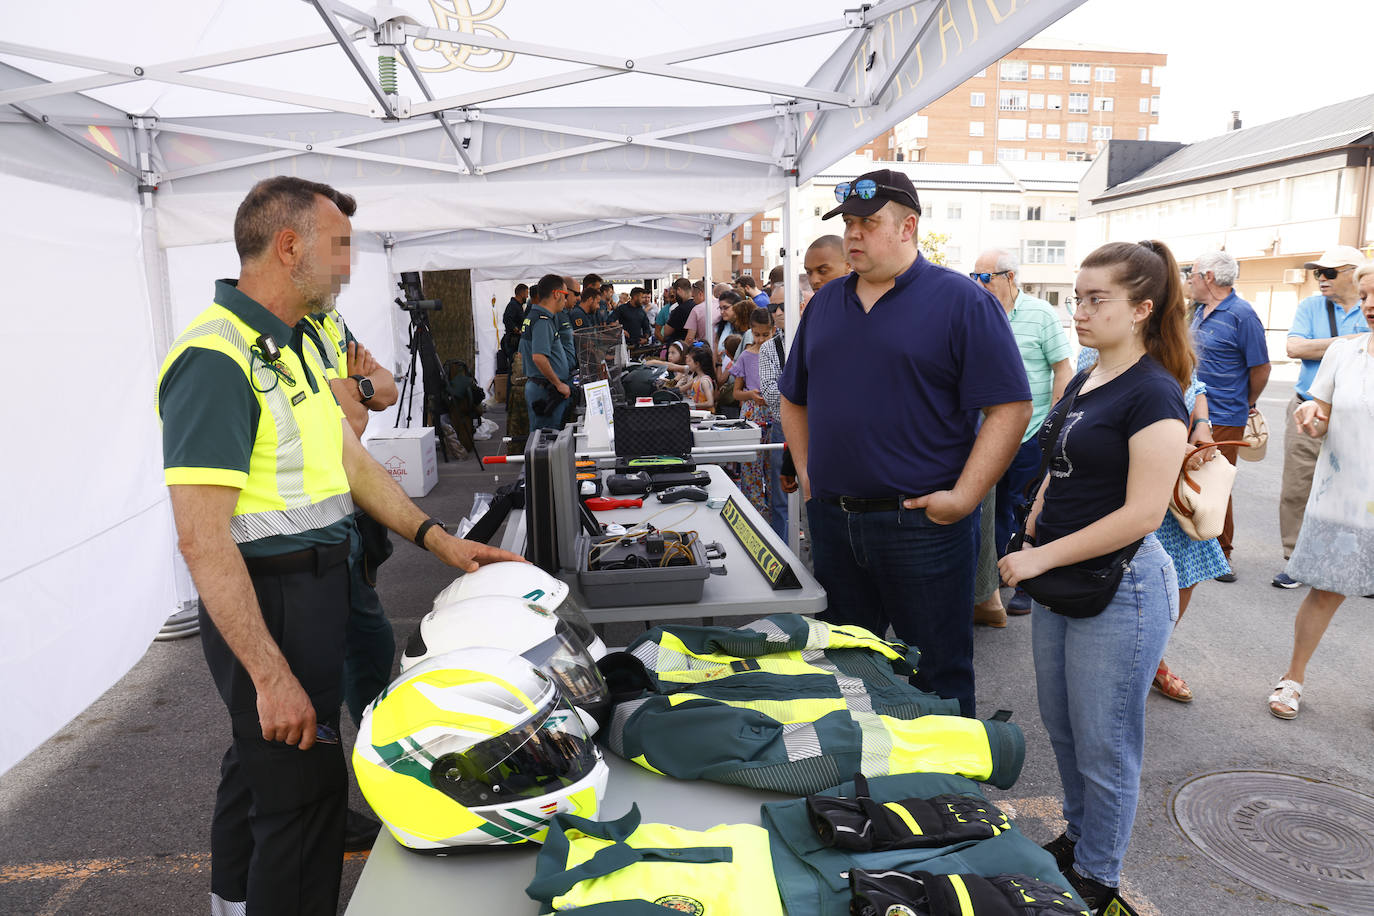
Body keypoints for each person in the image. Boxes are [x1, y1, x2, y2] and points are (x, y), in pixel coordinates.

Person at [155, 175, 524, 916]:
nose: (350, 267)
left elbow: (350, 463)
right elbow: (200, 538)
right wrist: (269, 675)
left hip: (315, 589)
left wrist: (441, 540)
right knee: (300, 808)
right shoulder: (217, 357)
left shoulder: (289, 345)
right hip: (272, 601)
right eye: (340, 248)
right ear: (289, 248)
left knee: (289, 790)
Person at [780, 169, 1031, 717]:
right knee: (847, 670)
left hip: (923, 526)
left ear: (908, 226)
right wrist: (809, 475)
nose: (853, 235)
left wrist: (965, 497)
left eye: (868, 223)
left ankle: (945, 796)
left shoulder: (962, 301)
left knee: (937, 674)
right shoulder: (824, 306)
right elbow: (793, 399)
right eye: (848, 223)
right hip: (836, 524)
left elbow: (1010, 407)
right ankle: (866, 791)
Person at [998, 240, 1191, 909]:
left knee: (1106, 746)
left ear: (1141, 309)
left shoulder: (1156, 394)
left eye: (1095, 298)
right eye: (1076, 297)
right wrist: (1037, 517)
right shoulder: (1088, 374)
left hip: (1123, 588)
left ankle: (1099, 877)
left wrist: (1038, 556)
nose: (1078, 310)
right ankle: (1078, 841)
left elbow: (1143, 513)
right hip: (1065, 581)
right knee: (1064, 726)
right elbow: (1061, 460)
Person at [1074, 345, 1229, 703]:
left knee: (1185, 576)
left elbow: (1198, 387)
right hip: (1130, 483)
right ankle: (1125, 661)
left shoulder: (1175, 345)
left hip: (1178, 483)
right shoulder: (1096, 351)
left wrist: (1202, 425)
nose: (1083, 311)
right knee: (1123, 579)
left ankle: (1151, 657)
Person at [300, 301, 400, 846]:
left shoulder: (331, 322)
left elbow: (382, 390)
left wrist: (355, 389)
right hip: (308, 539)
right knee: (320, 685)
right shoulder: (273, 335)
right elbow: (349, 433)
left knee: (368, 653)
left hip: (347, 527)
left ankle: (386, 776)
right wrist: (355, 395)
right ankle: (327, 810)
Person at [1267, 261, 1374, 720]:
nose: (1370, 306)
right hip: (1342, 500)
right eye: (1366, 296)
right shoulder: (1344, 354)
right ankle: (1292, 678)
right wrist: (1312, 416)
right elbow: (1321, 409)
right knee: (1325, 591)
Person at [971, 248, 1073, 618]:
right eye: (975, 277)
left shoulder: (1041, 315)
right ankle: (997, 576)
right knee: (991, 506)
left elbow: (1063, 368)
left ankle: (1027, 581)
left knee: (1027, 506)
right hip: (988, 432)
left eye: (985, 277)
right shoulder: (978, 314)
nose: (978, 284)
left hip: (1032, 432)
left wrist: (1054, 422)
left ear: (1010, 277)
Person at [1275, 245, 1370, 588]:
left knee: (1360, 489)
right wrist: (1352, 341)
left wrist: (1322, 345)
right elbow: (1294, 348)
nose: (1321, 279)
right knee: (1298, 486)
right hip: (1308, 404)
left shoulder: (1368, 305)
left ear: (1352, 273)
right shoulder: (1310, 305)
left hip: (1360, 413)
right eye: (1318, 273)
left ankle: (1361, 561)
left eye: (1329, 272)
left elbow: (1308, 347)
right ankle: (1295, 560)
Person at [1186, 250, 1271, 580]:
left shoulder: (1242, 314)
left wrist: (1247, 403)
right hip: (1193, 407)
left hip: (1224, 413)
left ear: (1208, 277)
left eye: (1192, 275)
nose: (1189, 281)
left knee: (1216, 481)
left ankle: (1223, 553)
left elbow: (1261, 367)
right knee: (1190, 478)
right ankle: (1197, 545)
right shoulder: (1198, 310)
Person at [732, 308, 775, 517]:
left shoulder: (779, 353)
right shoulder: (746, 357)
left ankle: (777, 509)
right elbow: (736, 393)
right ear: (751, 331)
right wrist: (750, 394)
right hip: (752, 415)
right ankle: (754, 511)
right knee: (751, 466)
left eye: (765, 335)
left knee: (773, 464)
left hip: (774, 414)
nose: (760, 339)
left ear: (773, 331)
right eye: (757, 334)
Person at [757, 299, 794, 539]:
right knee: (782, 498)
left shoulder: (815, 338)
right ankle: (784, 556)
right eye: (773, 308)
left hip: (821, 429)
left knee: (817, 496)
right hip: (784, 426)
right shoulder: (769, 348)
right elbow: (770, 392)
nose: (778, 311)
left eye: (783, 305)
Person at [520, 274, 573, 430]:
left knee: (543, 439)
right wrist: (558, 384)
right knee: (547, 441)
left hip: (541, 387)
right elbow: (538, 357)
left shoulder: (534, 317)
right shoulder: (542, 320)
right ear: (556, 294)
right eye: (565, 295)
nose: (566, 300)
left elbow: (523, 353)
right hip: (546, 390)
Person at [663, 277, 696, 345]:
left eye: (675, 293)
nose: (675, 296)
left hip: (680, 347)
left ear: (679, 290)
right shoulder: (697, 305)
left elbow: (666, 331)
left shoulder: (680, 309)